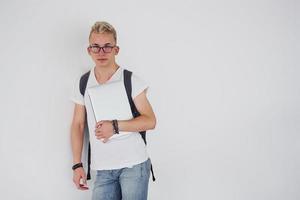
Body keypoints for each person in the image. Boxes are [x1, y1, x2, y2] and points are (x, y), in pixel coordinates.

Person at [70, 21, 156, 200]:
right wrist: (77, 165)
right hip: (102, 170)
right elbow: (78, 125)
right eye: (96, 47)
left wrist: (115, 126)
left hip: (134, 165)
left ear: (116, 50)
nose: (101, 52)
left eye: (107, 47)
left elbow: (150, 121)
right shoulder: (83, 82)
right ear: (89, 50)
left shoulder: (130, 80)